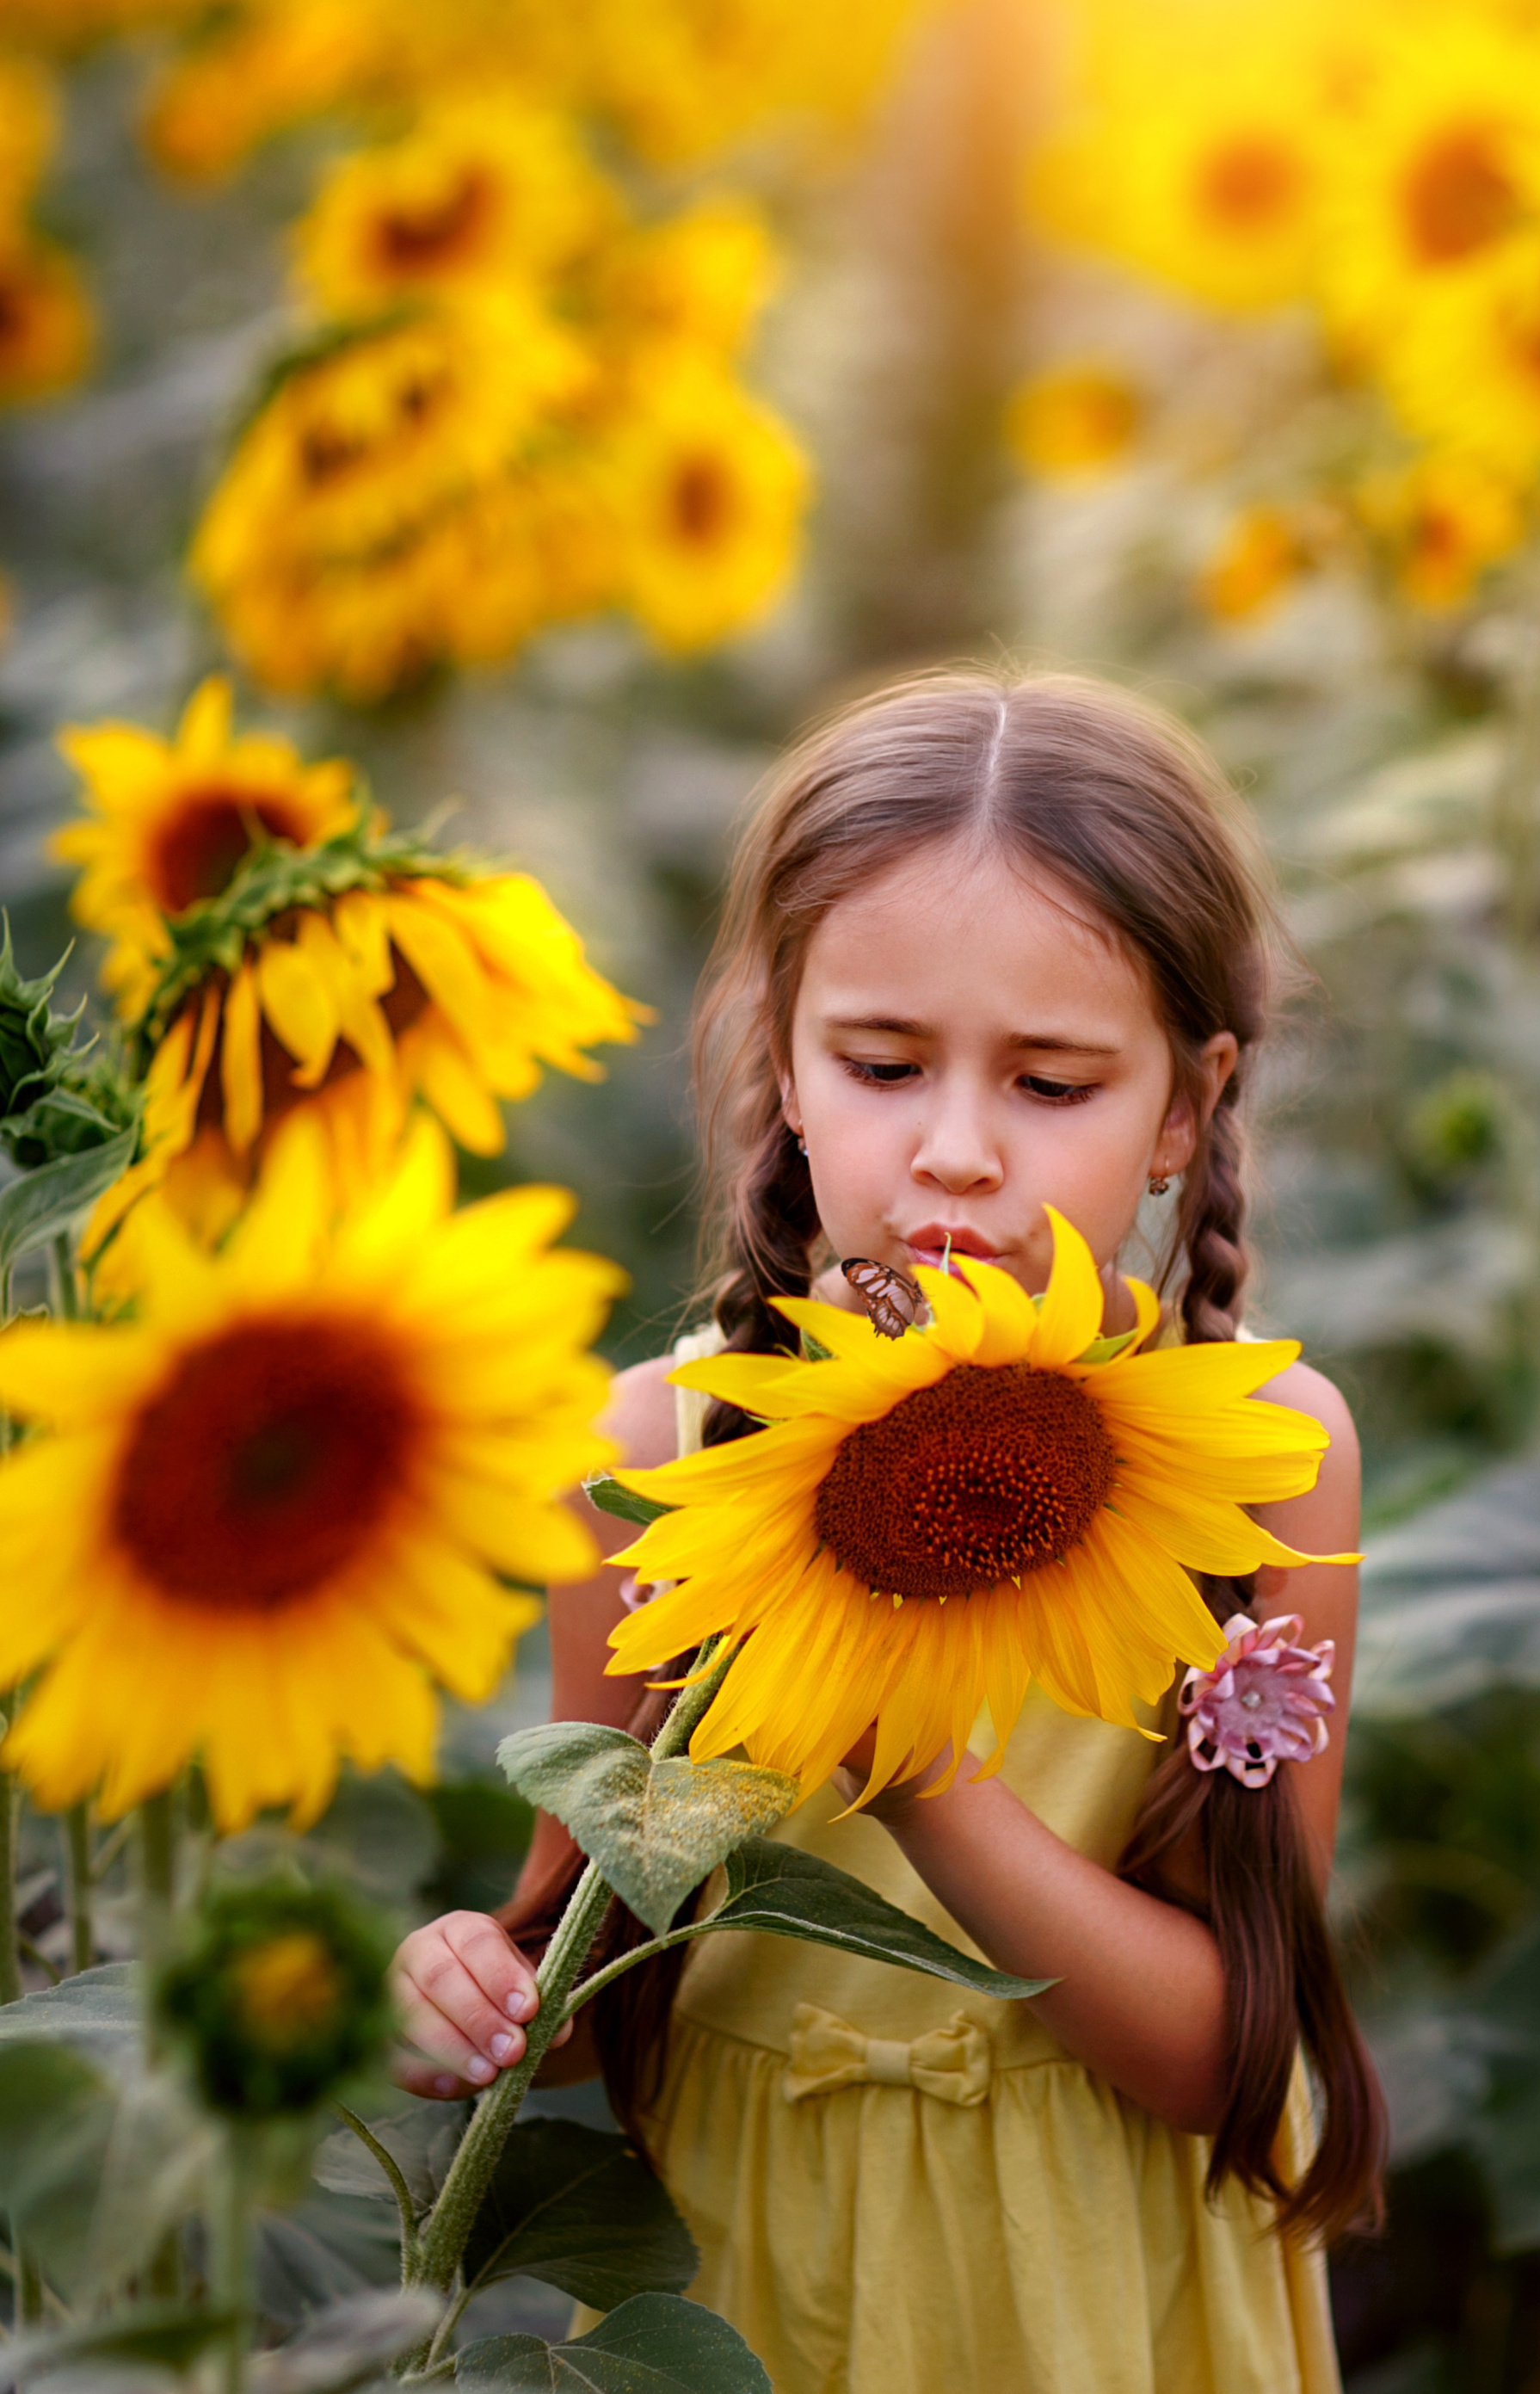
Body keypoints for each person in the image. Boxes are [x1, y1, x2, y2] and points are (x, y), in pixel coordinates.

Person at [390, 667, 1386, 2393]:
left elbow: (1228, 2047)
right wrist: (471, 1985)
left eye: (1050, 1083)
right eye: (881, 1064)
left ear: (1183, 1103)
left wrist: (919, 1769)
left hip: (1094, 2287)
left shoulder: (1258, 1458)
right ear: (783, 1062)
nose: (955, 1152)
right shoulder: (658, 1449)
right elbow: (592, 1957)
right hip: (746, 2271)